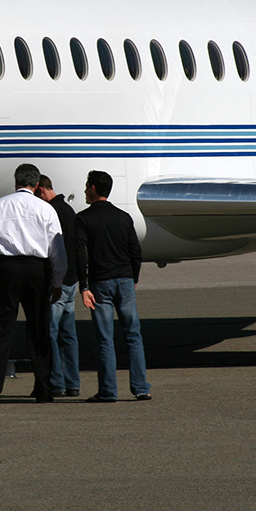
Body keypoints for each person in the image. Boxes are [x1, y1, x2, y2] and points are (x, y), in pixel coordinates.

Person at [0, 163, 67, 405]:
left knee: (1, 329)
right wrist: (57, 281)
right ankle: (44, 389)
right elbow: (57, 250)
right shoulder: (45, 209)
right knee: (39, 329)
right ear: (36, 185)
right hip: (38, 270)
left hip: (7, 269)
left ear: (15, 182)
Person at [76, 170, 151, 402]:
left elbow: (80, 255)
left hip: (101, 283)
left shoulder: (83, 219)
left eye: (87, 186)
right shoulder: (123, 217)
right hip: (125, 280)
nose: (85, 191)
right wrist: (133, 277)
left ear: (94, 189)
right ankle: (140, 387)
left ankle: (108, 390)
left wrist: (83, 286)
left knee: (104, 338)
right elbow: (135, 252)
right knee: (133, 334)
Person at [36, 174, 80, 397]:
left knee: (50, 333)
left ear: (42, 191)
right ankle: (73, 382)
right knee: (69, 335)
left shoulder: (51, 212)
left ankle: (57, 382)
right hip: (72, 280)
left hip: (58, 281)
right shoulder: (69, 210)